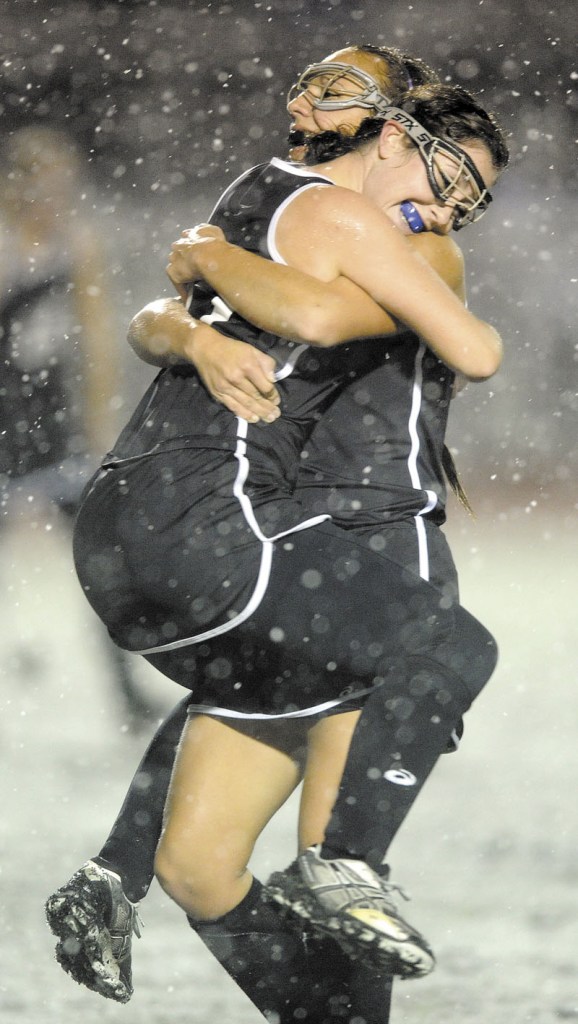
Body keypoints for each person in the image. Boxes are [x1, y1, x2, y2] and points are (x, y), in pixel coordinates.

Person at [45, 52, 508, 1023]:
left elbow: (308, 311)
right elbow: (193, 315)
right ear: (392, 138)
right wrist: (195, 321)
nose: (452, 208)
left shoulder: (366, 235)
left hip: (335, 535)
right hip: (305, 533)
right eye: (448, 176)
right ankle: (332, 873)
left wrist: (203, 268)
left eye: (474, 195)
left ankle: (124, 869)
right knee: (270, 864)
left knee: (206, 863)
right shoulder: (328, 219)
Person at [0, 126, 156, 732]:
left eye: (65, 182)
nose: (56, 194)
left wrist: (96, 427)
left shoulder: (75, 244)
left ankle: (128, 692)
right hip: (4, 423)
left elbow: (94, 341)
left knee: (102, 563)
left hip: (49, 425)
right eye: (43, 180)